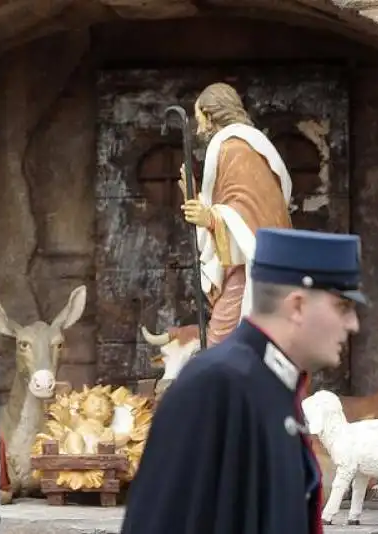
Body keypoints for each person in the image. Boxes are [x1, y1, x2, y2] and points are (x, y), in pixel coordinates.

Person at [121, 227, 365, 534]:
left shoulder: (274, 388)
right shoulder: (215, 386)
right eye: (342, 307)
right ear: (298, 306)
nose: (353, 324)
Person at [180, 82, 293, 346]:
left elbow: (247, 215)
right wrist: (195, 199)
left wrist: (209, 218)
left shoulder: (235, 149)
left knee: (221, 340)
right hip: (253, 261)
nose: (199, 130)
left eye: (200, 121)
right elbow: (235, 203)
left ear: (211, 115)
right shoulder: (249, 146)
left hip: (251, 267)